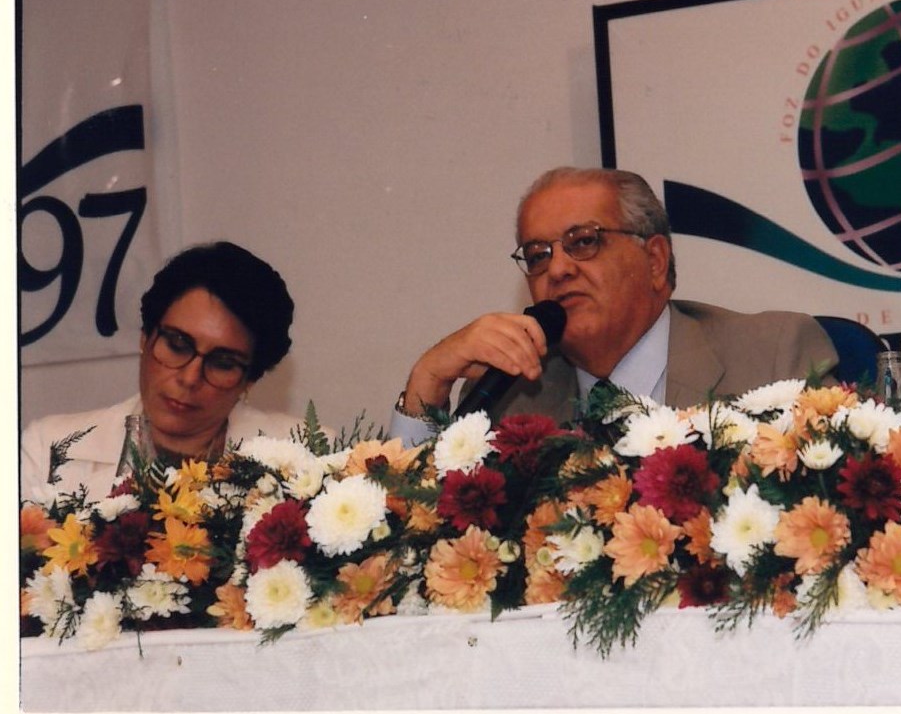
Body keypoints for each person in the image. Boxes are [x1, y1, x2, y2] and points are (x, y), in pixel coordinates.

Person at [396, 166, 838, 428]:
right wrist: (427, 380)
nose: (558, 269)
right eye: (538, 255)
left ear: (655, 260)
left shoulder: (773, 357)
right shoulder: (513, 398)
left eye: (584, 242)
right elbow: (425, 530)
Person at [20, 241, 305, 500]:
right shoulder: (48, 448)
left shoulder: (308, 459)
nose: (190, 378)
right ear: (145, 337)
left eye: (222, 363)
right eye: (178, 346)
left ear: (250, 379)